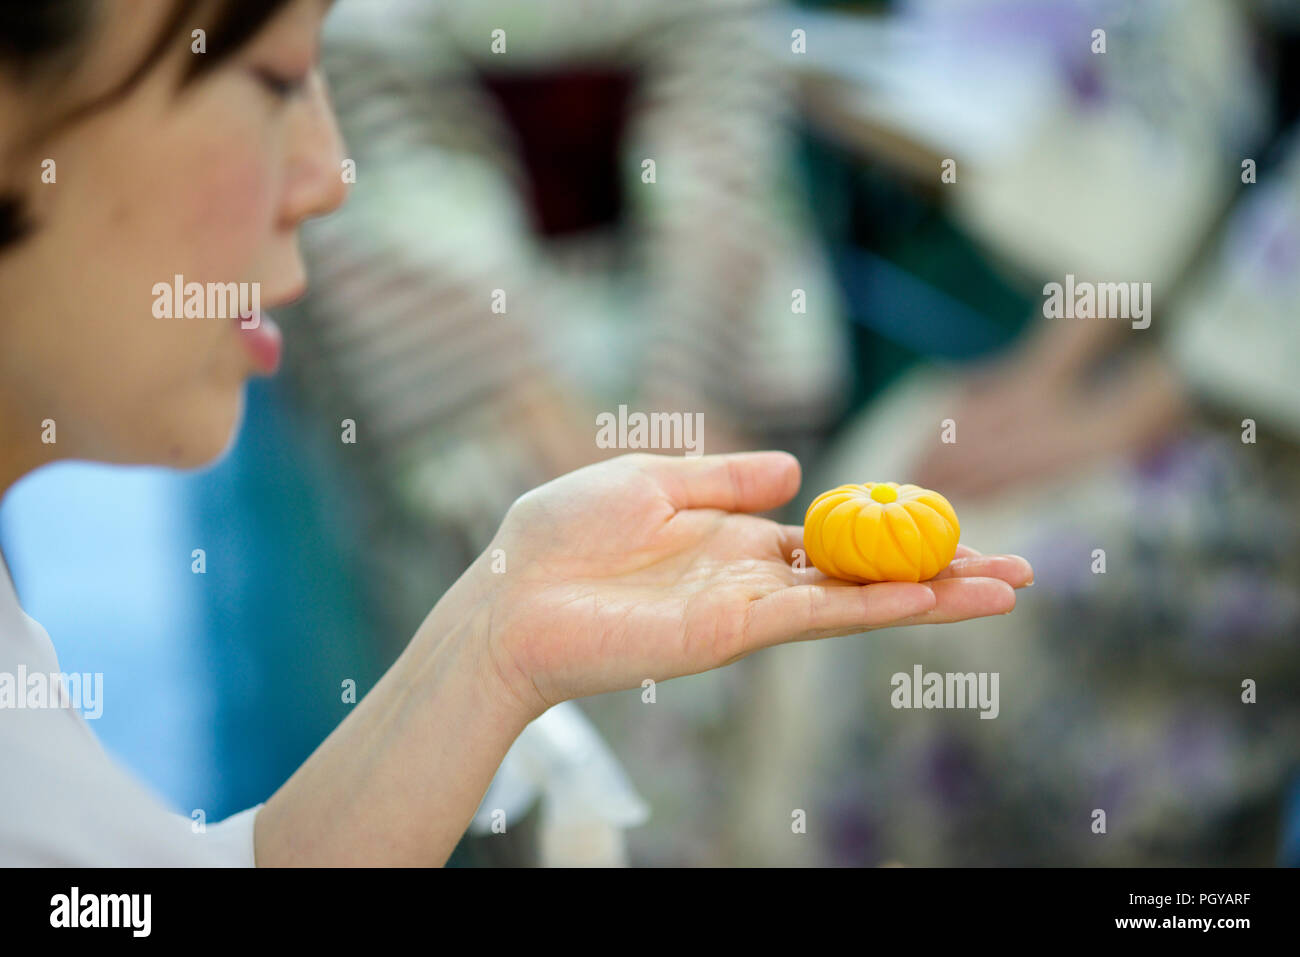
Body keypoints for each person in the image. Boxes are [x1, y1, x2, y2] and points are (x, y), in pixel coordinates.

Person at [0, 0, 1032, 866]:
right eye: (272, 82)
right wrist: (532, 414)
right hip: (474, 357)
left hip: (676, 322)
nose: (328, 178)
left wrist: (496, 643)